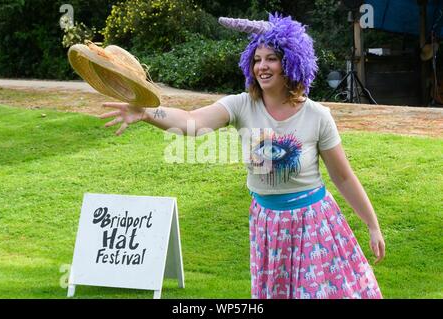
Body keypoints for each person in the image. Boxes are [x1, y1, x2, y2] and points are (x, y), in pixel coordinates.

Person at [99, 13, 385, 299]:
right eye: (257, 59)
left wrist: (372, 225)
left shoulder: (317, 116)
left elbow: (343, 176)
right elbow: (192, 121)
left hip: (312, 222)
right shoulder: (242, 106)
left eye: (271, 58)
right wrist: (147, 113)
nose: (262, 66)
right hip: (267, 223)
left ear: (292, 62)